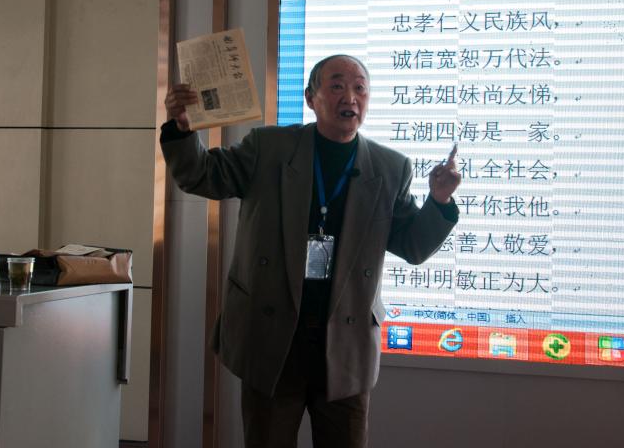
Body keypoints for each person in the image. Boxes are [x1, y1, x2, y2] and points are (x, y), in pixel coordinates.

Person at [161, 54, 461, 448]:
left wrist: (439, 200)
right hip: (274, 339)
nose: (350, 97)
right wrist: (182, 129)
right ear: (310, 98)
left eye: (359, 88)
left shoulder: (390, 168)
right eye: (336, 86)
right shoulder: (269, 147)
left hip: (345, 346)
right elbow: (203, 175)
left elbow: (412, 245)